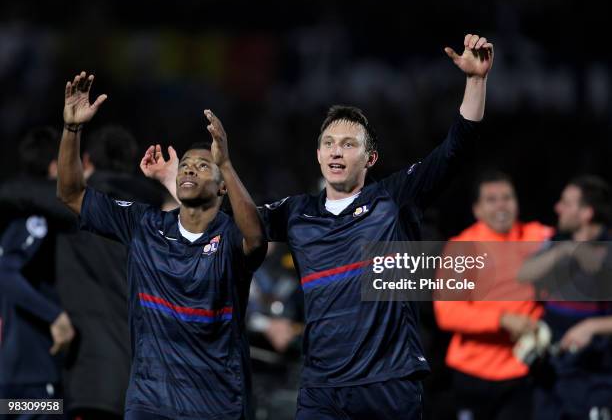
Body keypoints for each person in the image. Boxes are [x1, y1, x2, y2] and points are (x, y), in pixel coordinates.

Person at [146, 33, 494, 419]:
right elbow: (237, 225)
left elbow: (455, 149)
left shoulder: (395, 198)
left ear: (370, 157)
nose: (336, 151)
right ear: (317, 154)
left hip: (389, 382)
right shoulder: (298, 212)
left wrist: (475, 81)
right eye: (328, 143)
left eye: (348, 144)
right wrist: (186, 182)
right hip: (320, 389)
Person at [57, 71, 267, 419]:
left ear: (222, 187)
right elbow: (70, 193)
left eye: (202, 167)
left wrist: (225, 162)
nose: (189, 171)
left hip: (216, 405)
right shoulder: (144, 225)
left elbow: (255, 238)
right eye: (184, 166)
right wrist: (72, 129)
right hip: (150, 402)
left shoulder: (230, 237)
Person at [56, 125, 164, 420]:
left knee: (14, 406)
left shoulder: (67, 211)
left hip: (87, 379)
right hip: (149, 379)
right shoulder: (159, 217)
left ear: (87, 161)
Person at [434, 171, 553, 420]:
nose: (501, 205)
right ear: (477, 210)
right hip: (473, 373)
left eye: (507, 197)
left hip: (522, 372)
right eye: (491, 199)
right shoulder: (462, 247)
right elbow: (448, 314)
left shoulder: (538, 237)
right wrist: (503, 320)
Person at [519, 176, 612, 419]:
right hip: (552, 377)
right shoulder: (557, 242)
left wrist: (592, 327)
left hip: (594, 380)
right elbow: (523, 274)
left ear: (586, 213)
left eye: (566, 203)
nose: (557, 208)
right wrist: (567, 250)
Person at [0, 126, 76, 417]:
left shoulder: (14, 210)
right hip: (34, 375)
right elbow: (5, 271)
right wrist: (55, 316)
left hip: (17, 372)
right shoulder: (36, 218)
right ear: (56, 165)